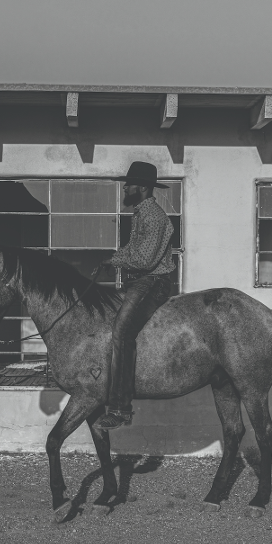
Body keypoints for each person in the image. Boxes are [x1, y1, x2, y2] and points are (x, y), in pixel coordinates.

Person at [94, 161, 176, 430]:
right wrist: (110, 261)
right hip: (140, 280)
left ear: (142, 187)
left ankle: (120, 409)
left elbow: (143, 259)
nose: (125, 187)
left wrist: (116, 263)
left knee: (122, 332)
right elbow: (131, 249)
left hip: (152, 282)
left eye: (129, 184)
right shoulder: (140, 214)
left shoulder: (153, 217)